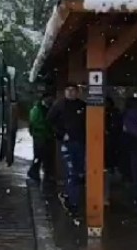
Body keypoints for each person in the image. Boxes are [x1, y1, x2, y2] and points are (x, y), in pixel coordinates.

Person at [46, 84, 86, 216]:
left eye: (73, 90)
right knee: (72, 171)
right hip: (67, 142)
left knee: (79, 173)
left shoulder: (82, 106)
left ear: (77, 92)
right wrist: (61, 134)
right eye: (68, 90)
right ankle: (72, 201)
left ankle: (71, 197)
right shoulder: (59, 105)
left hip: (80, 142)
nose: (70, 93)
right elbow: (50, 121)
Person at [27, 94, 55, 183]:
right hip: (40, 136)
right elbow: (34, 122)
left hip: (45, 136)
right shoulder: (37, 109)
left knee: (44, 156)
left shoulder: (46, 108)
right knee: (39, 155)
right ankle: (34, 172)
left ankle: (36, 172)